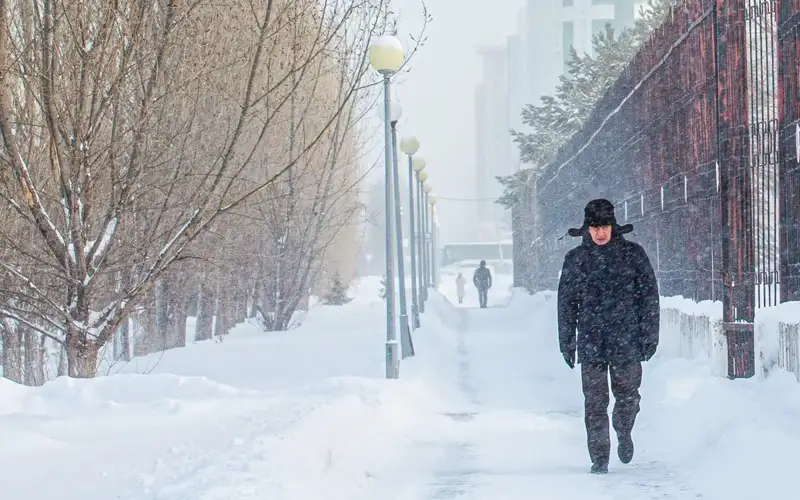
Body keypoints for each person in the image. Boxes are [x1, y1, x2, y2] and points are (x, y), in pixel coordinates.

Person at [557, 199, 659, 475]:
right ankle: (599, 457)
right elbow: (566, 305)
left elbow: (649, 298)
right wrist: (567, 342)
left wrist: (650, 334)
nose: (600, 233)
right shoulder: (576, 260)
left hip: (627, 338)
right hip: (591, 341)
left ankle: (623, 430)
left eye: (604, 226)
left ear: (613, 227)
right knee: (595, 403)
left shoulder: (633, 255)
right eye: (595, 227)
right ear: (587, 229)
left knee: (628, 398)